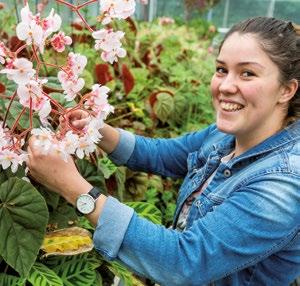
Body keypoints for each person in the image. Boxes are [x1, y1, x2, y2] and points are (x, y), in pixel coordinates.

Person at [27, 17, 300, 285]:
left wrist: (75, 190)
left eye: (247, 73)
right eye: (221, 69)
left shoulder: (284, 185)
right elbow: (164, 154)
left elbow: (182, 262)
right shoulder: (226, 135)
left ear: (286, 90)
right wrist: (94, 129)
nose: (226, 86)